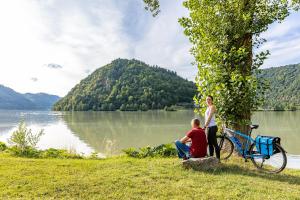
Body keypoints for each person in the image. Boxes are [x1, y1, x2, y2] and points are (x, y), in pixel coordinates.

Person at [204, 95, 220, 160]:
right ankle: (211, 159)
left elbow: (210, 117)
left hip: (212, 127)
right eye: (207, 99)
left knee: (215, 144)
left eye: (209, 99)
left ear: (212, 100)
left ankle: (218, 159)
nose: (208, 100)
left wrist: (205, 125)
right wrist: (206, 126)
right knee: (210, 144)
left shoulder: (212, 107)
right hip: (209, 127)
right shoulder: (208, 107)